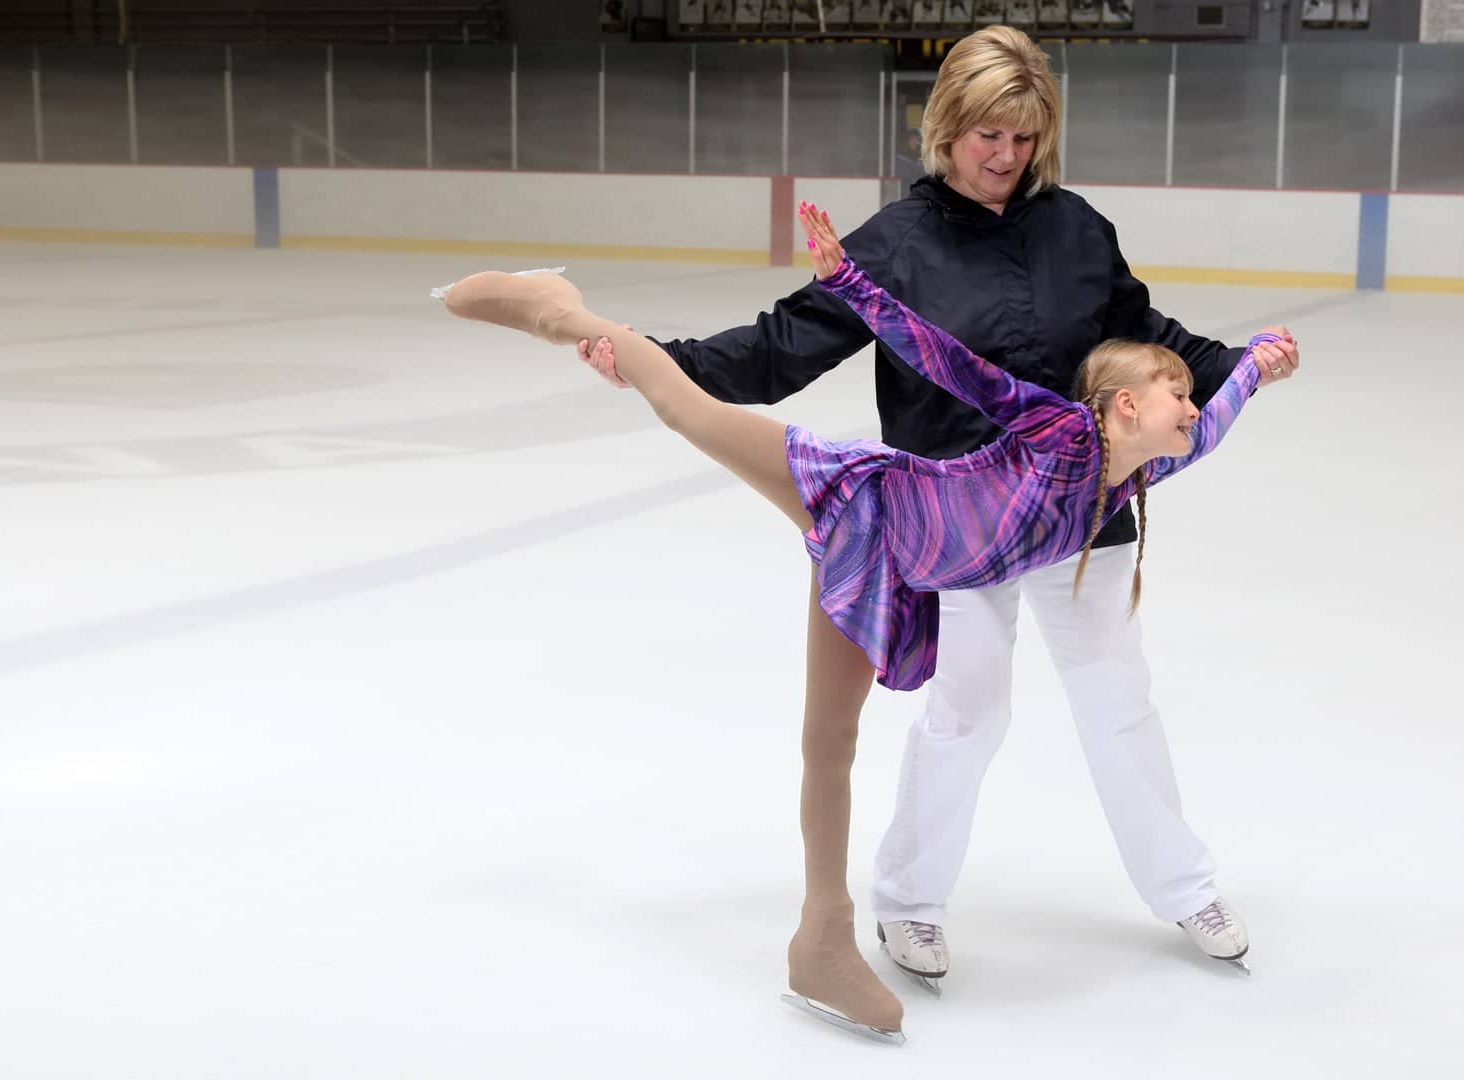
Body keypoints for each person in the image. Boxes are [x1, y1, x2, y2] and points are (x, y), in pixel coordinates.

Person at [439, 201, 1297, 1043]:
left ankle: (818, 942)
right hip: (866, 498)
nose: (1191, 406)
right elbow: (951, 363)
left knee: (830, 740)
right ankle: (557, 311)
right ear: (1116, 405)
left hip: (896, 574)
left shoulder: (1127, 481)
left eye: (1189, 397)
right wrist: (851, 280)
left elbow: (1221, 416)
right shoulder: (1053, 428)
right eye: (1174, 393)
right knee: (688, 411)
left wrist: (1257, 360)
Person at [577, 25, 1301, 1002]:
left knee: (1116, 699)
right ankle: (909, 900)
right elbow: (775, 349)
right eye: (986, 135)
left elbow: (1145, 332)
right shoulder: (896, 245)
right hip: (959, 521)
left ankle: (1184, 888)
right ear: (945, 128)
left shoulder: (1074, 228)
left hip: (1083, 516)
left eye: (1022, 136)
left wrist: (1238, 362)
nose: (1005, 156)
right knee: (967, 712)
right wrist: (649, 357)